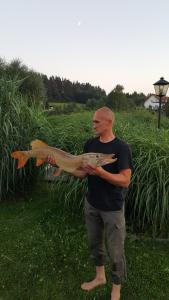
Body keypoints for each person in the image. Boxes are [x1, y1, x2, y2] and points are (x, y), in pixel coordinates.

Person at [47, 107, 133, 300]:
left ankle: (116, 287)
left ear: (109, 122)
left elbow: (125, 180)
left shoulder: (121, 148)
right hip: (92, 204)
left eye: (96, 122)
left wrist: (101, 172)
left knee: (116, 251)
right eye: (93, 121)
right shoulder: (90, 144)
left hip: (113, 208)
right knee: (95, 244)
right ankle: (100, 277)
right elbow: (82, 174)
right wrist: (59, 165)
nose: (92, 125)